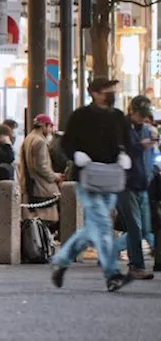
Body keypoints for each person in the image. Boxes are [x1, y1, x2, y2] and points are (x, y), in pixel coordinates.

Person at [52, 78, 133, 291]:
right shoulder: (80, 116)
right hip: (87, 178)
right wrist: (76, 155)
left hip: (111, 178)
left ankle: (61, 261)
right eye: (107, 90)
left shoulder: (118, 117)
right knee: (104, 226)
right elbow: (66, 142)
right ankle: (112, 274)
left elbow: (127, 141)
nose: (111, 93)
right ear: (95, 93)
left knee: (93, 228)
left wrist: (124, 155)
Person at [117, 96, 154, 281]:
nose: (142, 118)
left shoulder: (142, 129)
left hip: (140, 182)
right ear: (132, 111)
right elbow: (123, 150)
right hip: (126, 183)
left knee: (143, 227)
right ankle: (136, 265)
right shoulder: (122, 127)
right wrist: (141, 145)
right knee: (135, 227)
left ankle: (135, 264)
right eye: (140, 115)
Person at [18, 114, 60, 228]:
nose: (50, 130)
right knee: (45, 218)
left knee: (32, 220)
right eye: (49, 127)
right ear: (44, 126)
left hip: (29, 184)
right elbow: (42, 166)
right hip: (41, 185)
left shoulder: (29, 138)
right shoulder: (40, 142)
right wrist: (55, 176)